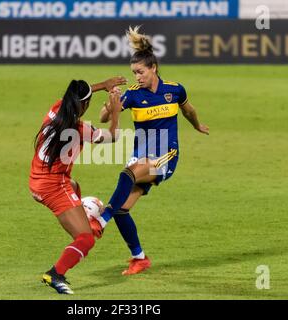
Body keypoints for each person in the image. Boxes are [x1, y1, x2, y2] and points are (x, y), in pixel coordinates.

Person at [89, 26, 210, 275]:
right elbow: (103, 117)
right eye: (134, 73)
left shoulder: (174, 90)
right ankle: (139, 258)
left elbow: (188, 110)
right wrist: (111, 100)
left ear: (153, 68)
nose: (137, 77)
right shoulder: (133, 95)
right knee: (123, 209)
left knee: (127, 175)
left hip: (166, 156)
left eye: (140, 72)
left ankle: (101, 220)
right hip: (142, 154)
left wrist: (197, 125)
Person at [29, 77, 125, 294]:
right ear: (85, 105)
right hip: (53, 186)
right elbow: (113, 136)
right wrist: (116, 112)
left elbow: (78, 93)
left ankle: (84, 218)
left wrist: (102, 85)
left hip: (36, 179)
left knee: (75, 185)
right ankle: (56, 274)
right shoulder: (80, 129)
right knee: (86, 239)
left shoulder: (55, 109)